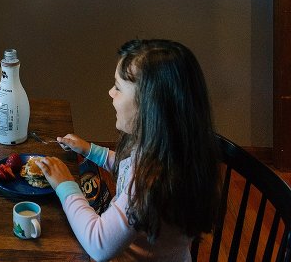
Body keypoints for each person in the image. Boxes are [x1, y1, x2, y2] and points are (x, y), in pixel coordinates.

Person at [34, 39, 220, 261]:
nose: (110, 92)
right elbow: (126, 169)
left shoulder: (150, 180)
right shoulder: (166, 153)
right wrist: (91, 150)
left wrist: (65, 185)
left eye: (118, 87)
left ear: (149, 106)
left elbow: (98, 243)